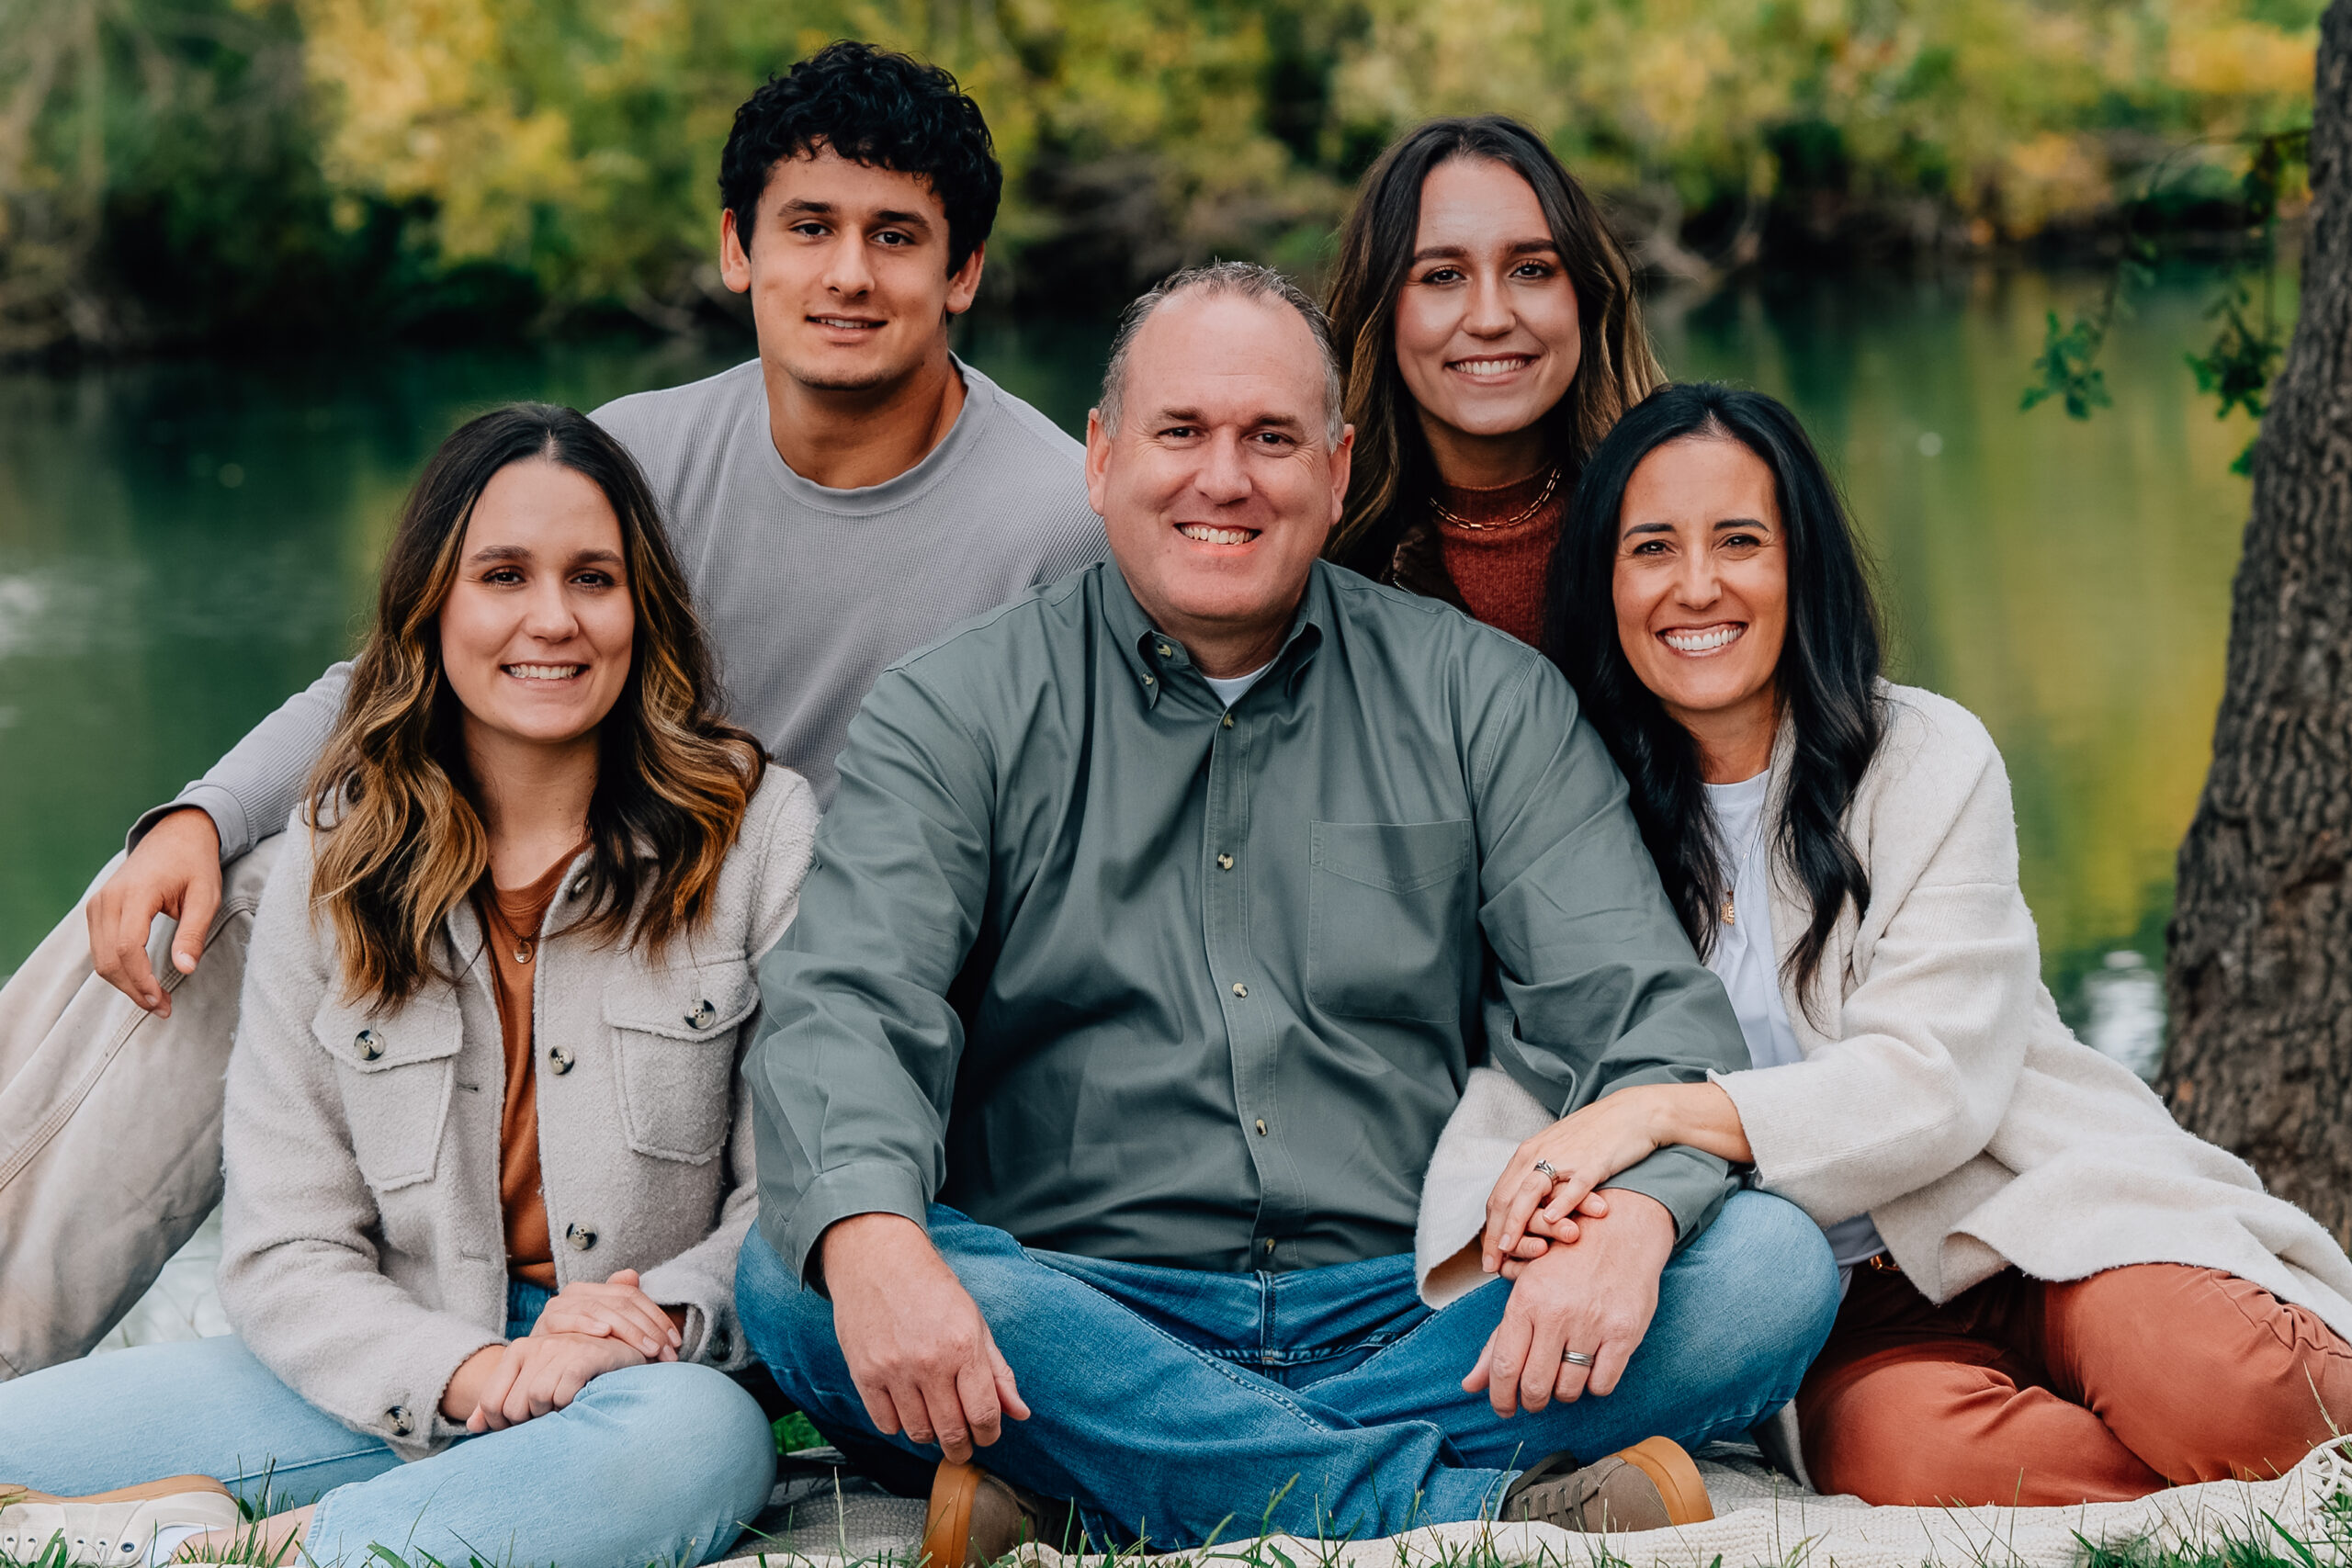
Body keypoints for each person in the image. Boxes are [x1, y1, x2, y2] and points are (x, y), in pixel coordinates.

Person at [0, 39, 1105, 1378]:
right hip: (624, 927)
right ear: (737, 249)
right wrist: (196, 811)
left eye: (897, 236)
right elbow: (412, 667)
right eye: (809, 228)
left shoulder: (1063, 522)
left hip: (845, 1000)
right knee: (216, 895)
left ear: (965, 271)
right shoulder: (633, 457)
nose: (850, 274)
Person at [733, 263, 1839, 1565]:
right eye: (1180, 432)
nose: (1226, 477)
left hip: (1419, 1296)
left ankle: (1105, 1481)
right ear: (1099, 458)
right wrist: (870, 1239)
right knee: (802, 1276)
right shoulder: (954, 707)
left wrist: (1641, 1214)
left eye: (1269, 437)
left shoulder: (1480, 694)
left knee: (1765, 1265)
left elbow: (1649, 1016)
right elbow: (847, 1010)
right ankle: (1458, 1514)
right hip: (1077, 1301)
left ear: (1334, 462)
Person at [1418, 380, 2352, 1507]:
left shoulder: (1920, 755)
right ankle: (2204, 1505)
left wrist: (1660, 1111)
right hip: (1835, 1309)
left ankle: (2224, 1437)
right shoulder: (1567, 817)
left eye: (1739, 542)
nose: (1696, 586)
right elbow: (1524, 1075)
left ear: (1798, 564)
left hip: (2031, 1212)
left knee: (2229, 1391)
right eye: (1651, 548)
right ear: (1603, 583)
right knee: (1911, 1462)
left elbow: (1933, 1083)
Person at [0, 404, 817, 1568]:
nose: (552, 619)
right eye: (502, 575)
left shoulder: (757, 835)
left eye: (593, 577)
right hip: (384, 1370)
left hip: (636, 1382)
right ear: (433, 609)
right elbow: (284, 1249)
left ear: (642, 610)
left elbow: (785, 1200)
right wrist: (464, 1371)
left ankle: (259, 1552)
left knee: (695, 1455)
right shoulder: (338, 857)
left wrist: (654, 1323)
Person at [1322, 115, 1661, 644]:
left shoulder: (1678, 516)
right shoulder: (1320, 556)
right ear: (1381, 311)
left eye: (1530, 269)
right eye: (1442, 276)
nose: (1490, 318)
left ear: (1584, 299)